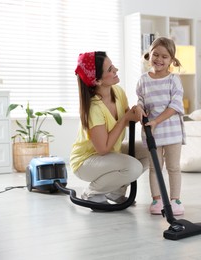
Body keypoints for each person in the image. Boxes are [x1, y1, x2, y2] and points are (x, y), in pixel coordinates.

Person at [70, 51, 148, 204]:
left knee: (152, 152)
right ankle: (92, 192)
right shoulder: (94, 108)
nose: (116, 70)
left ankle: (114, 192)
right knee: (133, 167)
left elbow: (127, 119)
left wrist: (136, 110)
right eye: (110, 69)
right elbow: (103, 149)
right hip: (86, 161)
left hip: (110, 155)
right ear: (97, 81)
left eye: (113, 66)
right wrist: (126, 118)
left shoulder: (117, 92)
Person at [135, 37, 186, 215]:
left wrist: (157, 121)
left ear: (171, 59)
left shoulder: (174, 80)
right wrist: (140, 109)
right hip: (152, 133)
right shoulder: (143, 80)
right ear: (149, 55)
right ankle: (156, 200)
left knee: (173, 167)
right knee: (155, 168)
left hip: (172, 132)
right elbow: (140, 101)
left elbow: (175, 106)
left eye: (165, 56)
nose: (159, 59)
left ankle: (175, 200)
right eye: (155, 54)